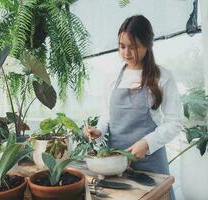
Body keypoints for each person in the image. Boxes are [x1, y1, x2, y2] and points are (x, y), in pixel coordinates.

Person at [84, 15, 182, 200]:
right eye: (122, 46)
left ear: (147, 44)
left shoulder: (162, 77)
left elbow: (174, 122)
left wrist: (147, 143)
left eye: (134, 46)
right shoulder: (112, 78)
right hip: (116, 164)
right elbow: (107, 114)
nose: (126, 53)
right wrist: (99, 130)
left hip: (151, 163)